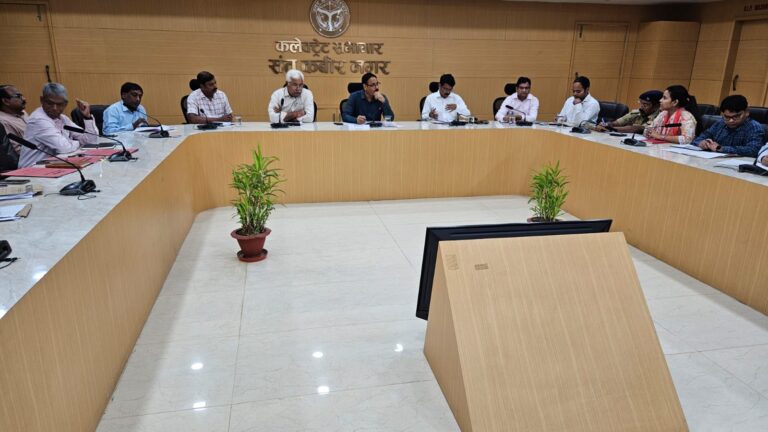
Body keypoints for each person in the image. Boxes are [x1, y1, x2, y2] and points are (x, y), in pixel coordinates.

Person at [19, 82, 97, 168]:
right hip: (32, 169)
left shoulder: (63, 118)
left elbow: (91, 141)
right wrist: (80, 142)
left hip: (53, 165)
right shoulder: (38, 120)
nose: (54, 108)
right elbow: (64, 148)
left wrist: (87, 117)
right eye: (50, 103)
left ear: (65, 104)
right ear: (42, 100)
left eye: (59, 104)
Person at [692, 95, 765, 157]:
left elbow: (753, 150)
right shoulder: (720, 123)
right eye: (727, 117)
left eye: (736, 116)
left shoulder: (754, 127)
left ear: (746, 112)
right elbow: (698, 138)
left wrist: (720, 148)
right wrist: (702, 143)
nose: (731, 121)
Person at [595, 90, 661, 134]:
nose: (641, 107)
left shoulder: (659, 117)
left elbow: (635, 129)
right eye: (640, 103)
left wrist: (610, 128)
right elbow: (617, 123)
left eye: (645, 104)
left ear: (656, 106)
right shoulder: (637, 112)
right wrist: (606, 124)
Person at [0, 84, 29, 157]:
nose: (24, 99)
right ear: (5, 101)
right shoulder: (3, 122)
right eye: (18, 96)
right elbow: (16, 152)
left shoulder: (22, 112)